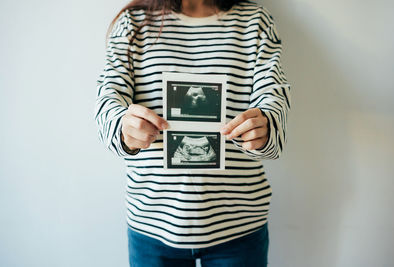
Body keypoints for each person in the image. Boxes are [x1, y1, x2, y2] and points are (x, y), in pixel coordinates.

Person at [94, 0, 291, 266]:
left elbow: (274, 97)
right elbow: (108, 99)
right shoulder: (133, 23)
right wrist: (123, 128)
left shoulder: (255, 21)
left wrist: (267, 127)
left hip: (239, 224)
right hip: (152, 223)